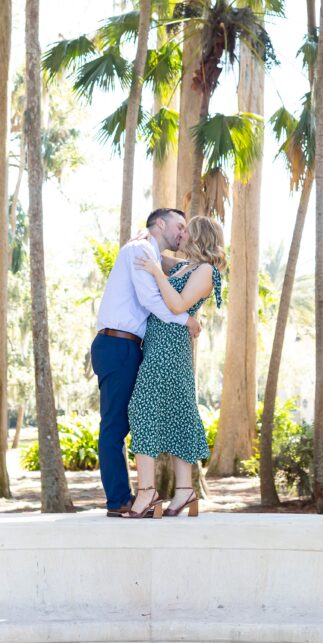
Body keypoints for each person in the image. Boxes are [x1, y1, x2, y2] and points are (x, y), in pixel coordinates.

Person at [91, 208, 202, 517]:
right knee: (114, 426)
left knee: (129, 422)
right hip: (117, 344)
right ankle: (119, 501)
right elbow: (150, 299)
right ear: (160, 224)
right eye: (180, 226)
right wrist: (186, 320)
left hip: (127, 346)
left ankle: (140, 495)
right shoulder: (140, 249)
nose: (183, 233)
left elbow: (176, 268)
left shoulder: (147, 251)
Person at [125, 215, 226, 519]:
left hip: (170, 347)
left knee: (142, 408)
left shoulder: (207, 271)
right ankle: (184, 492)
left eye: (186, 231)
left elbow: (178, 305)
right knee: (176, 411)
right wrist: (147, 236)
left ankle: (146, 493)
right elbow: (158, 252)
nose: (180, 234)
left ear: (197, 237)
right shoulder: (185, 266)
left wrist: (156, 272)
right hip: (158, 342)